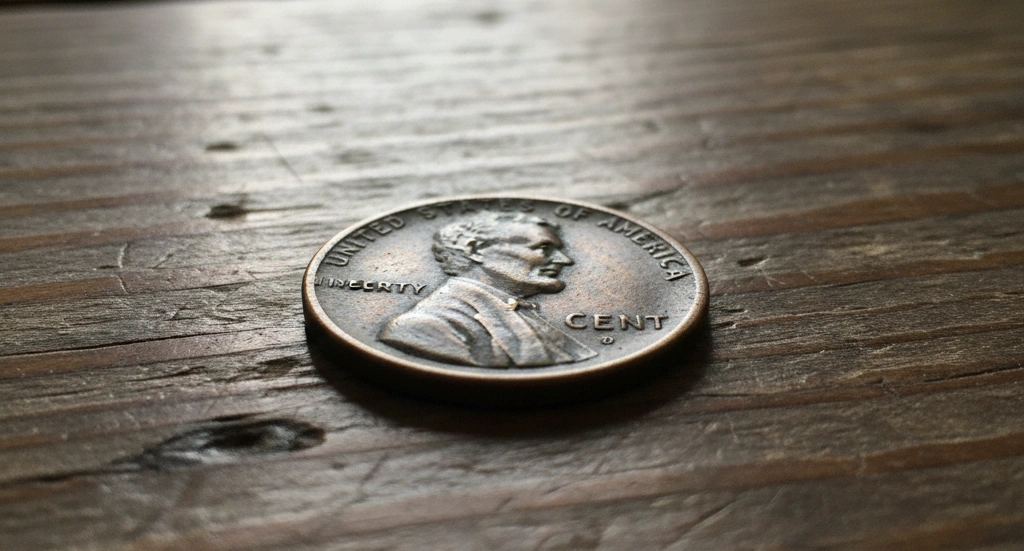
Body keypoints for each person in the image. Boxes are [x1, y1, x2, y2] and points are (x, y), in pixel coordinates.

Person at [378, 211, 597, 367]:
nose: (565, 261)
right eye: (543, 248)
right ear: (477, 250)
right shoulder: (422, 326)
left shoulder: (519, 311)